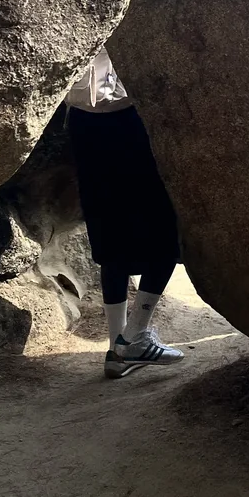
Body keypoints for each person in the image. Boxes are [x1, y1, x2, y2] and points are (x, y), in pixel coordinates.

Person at [65, 46, 186, 379]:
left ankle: (118, 347)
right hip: (128, 119)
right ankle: (132, 336)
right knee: (165, 230)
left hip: (84, 123)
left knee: (110, 232)